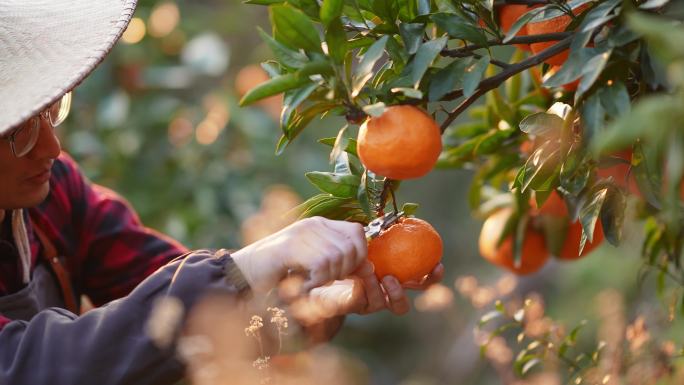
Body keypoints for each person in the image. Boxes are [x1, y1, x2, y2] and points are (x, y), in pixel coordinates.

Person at [0, 1, 444, 384]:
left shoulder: (56, 192)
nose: (51, 148)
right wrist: (244, 266)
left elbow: (175, 320)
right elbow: (35, 366)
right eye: (19, 131)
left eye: (51, 111)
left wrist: (307, 304)